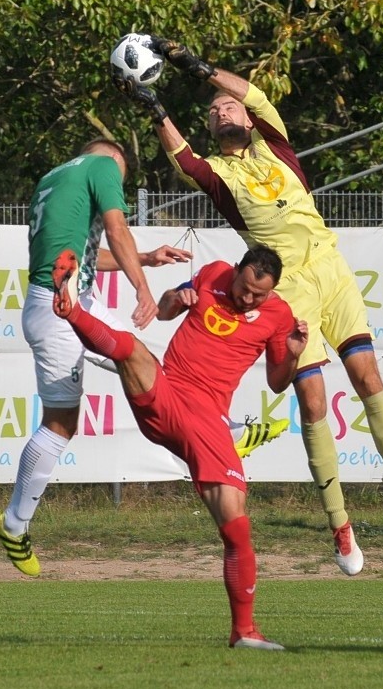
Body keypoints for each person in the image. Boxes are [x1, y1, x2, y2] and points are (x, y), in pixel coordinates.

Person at [113, 38, 383, 576]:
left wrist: (196, 65)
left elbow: (250, 91)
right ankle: (340, 525)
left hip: (331, 270)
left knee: (369, 378)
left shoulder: (273, 143)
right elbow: (183, 157)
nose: (221, 110)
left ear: (247, 115)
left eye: (227, 105)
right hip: (291, 292)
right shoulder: (220, 175)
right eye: (213, 112)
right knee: (312, 403)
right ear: (211, 129)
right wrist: (154, 105)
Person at [0, 137, 284, 577]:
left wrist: (145, 259)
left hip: (74, 297)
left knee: (148, 366)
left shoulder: (54, 177)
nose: (118, 186)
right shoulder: (103, 165)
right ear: (114, 160)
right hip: (57, 307)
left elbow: (86, 255)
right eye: (122, 179)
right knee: (60, 423)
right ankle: (14, 524)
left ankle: (225, 430)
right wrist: (142, 290)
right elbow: (117, 229)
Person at [52, 242, 308, 650]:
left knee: (237, 528)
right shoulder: (214, 273)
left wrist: (293, 355)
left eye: (258, 294)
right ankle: (71, 311)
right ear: (237, 271)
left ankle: (243, 632)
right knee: (133, 351)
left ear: (273, 290)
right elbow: (168, 309)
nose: (247, 298)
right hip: (169, 393)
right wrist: (176, 297)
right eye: (243, 287)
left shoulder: (279, 317)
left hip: (207, 420)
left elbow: (278, 381)